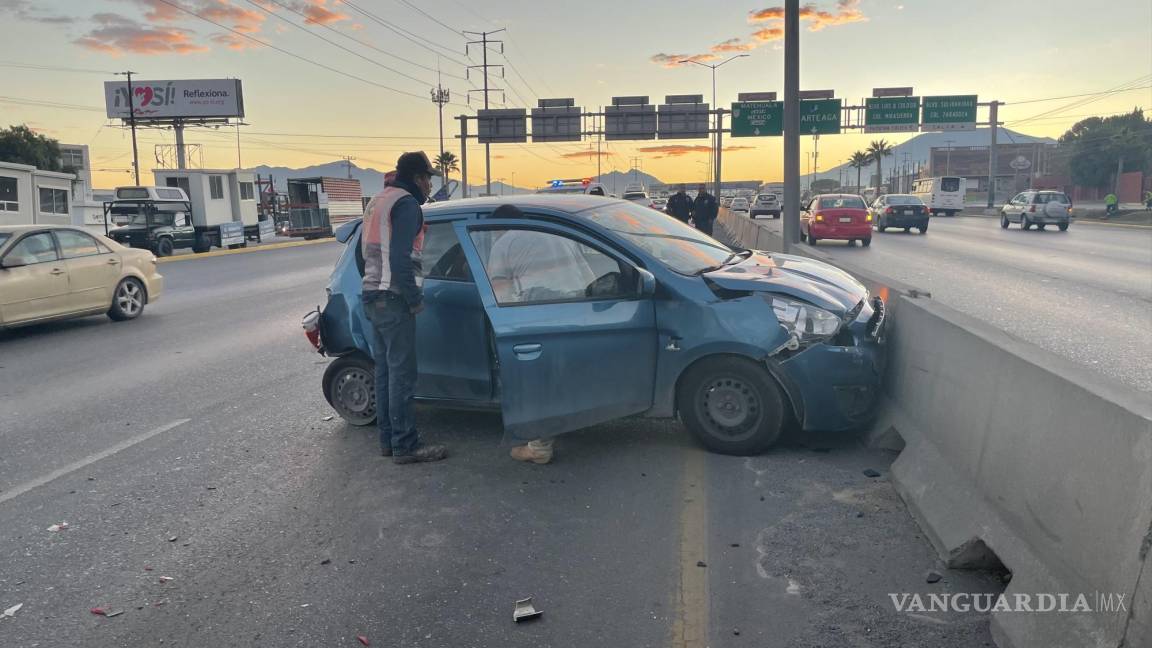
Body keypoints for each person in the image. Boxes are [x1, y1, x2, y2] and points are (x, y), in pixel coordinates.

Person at [486, 204, 598, 464]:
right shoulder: (552, 235)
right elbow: (588, 275)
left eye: (494, 232)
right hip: (576, 306)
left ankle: (538, 447)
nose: (493, 236)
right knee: (559, 375)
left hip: (539, 304)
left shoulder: (504, 242)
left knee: (537, 378)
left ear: (500, 227)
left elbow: (498, 291)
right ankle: (571, 419)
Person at [361, 151, 448, 465]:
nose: (428, 186)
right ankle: (406, 445)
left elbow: (365, 255)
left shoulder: (378, 200)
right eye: (427, 179)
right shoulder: (407, 205)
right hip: (394, 299)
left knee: (385, 373)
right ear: (417, 178)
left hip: (373, 295)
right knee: (402, 376)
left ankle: (389, 441)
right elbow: (400, 258)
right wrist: (414, 299)